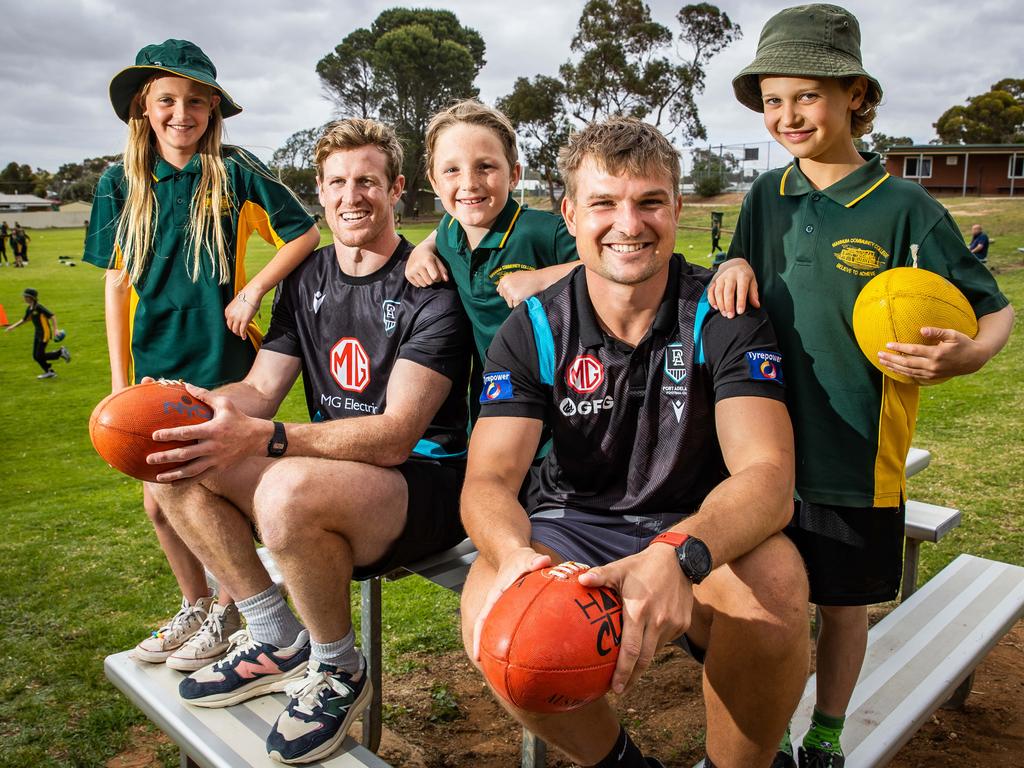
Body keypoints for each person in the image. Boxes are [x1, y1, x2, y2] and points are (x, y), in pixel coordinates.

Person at [713, 6, 1015, 767]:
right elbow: (736, 274)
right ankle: (772, 730)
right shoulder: (763, 196)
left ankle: (826, 732)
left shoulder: (905, 206)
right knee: (763, 606)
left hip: (857, 456)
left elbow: (995, 309)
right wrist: (732, 265)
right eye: (773, 99)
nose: (787, 115)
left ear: (854, 94)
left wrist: (966, 358)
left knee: (843, 610)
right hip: (762, 454)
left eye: (807, 95)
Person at [460, 117, 810, 768]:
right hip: (574, 524)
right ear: (568, 213)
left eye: (650, 201)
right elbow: (489, 478)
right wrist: (511, 555)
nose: (629, 223)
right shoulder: (535, 325)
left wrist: (677, 556)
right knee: (490, 614)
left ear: (677, 208)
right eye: (603, 203)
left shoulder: (721, 310)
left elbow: (767, 475)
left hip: (695, 521)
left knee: (778, 589)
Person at [145, 118, 472, 765]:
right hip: (335, 474)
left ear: (397, 189)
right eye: (338, 183)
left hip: (427, 484)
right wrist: (201, 405)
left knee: (289, 489)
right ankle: (273, 634)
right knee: (173, 461)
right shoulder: (308, 278)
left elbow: (396, 435)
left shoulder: (428, 285)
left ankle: (338, 670)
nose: (353, 196)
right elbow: (260, 389)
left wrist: (266, 438)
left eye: (368, 182)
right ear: (320, 193)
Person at [82, 39, 320, 673]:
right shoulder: (118, 181)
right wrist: (117, 382)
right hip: (153, 362)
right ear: (143, 106)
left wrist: (252, 290)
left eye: (195, 101)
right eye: (167, 99)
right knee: (156, 501)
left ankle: (233, 608)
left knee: (205, 489)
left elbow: (305, 233)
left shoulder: (235, 170)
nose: (180, 113)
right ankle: (199, 606)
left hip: (221, 359)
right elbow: (115, 283)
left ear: (213, 108)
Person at [405, 100, 580, 404]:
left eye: (485, 166)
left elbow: (610, 266)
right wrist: (423, 248)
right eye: (451, 170)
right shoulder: (448, 232)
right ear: (434, 181)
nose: (469, 183)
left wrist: (544, 278)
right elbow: (445, 225)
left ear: (513, 175)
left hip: (561, 401)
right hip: (490, 398)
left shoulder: (543, 232)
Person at [4, 288, 71, 378]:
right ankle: (49, 372)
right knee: (36, 356)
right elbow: (25, 319)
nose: (24, 298)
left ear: (31, 298)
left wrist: (55, 330)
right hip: (38, 333)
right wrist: (13, 326)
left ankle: (60, 352)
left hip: (45, 334)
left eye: (25, 296)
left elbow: (52, 316)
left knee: (39, 355)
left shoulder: (39, 307)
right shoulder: (29, 308)